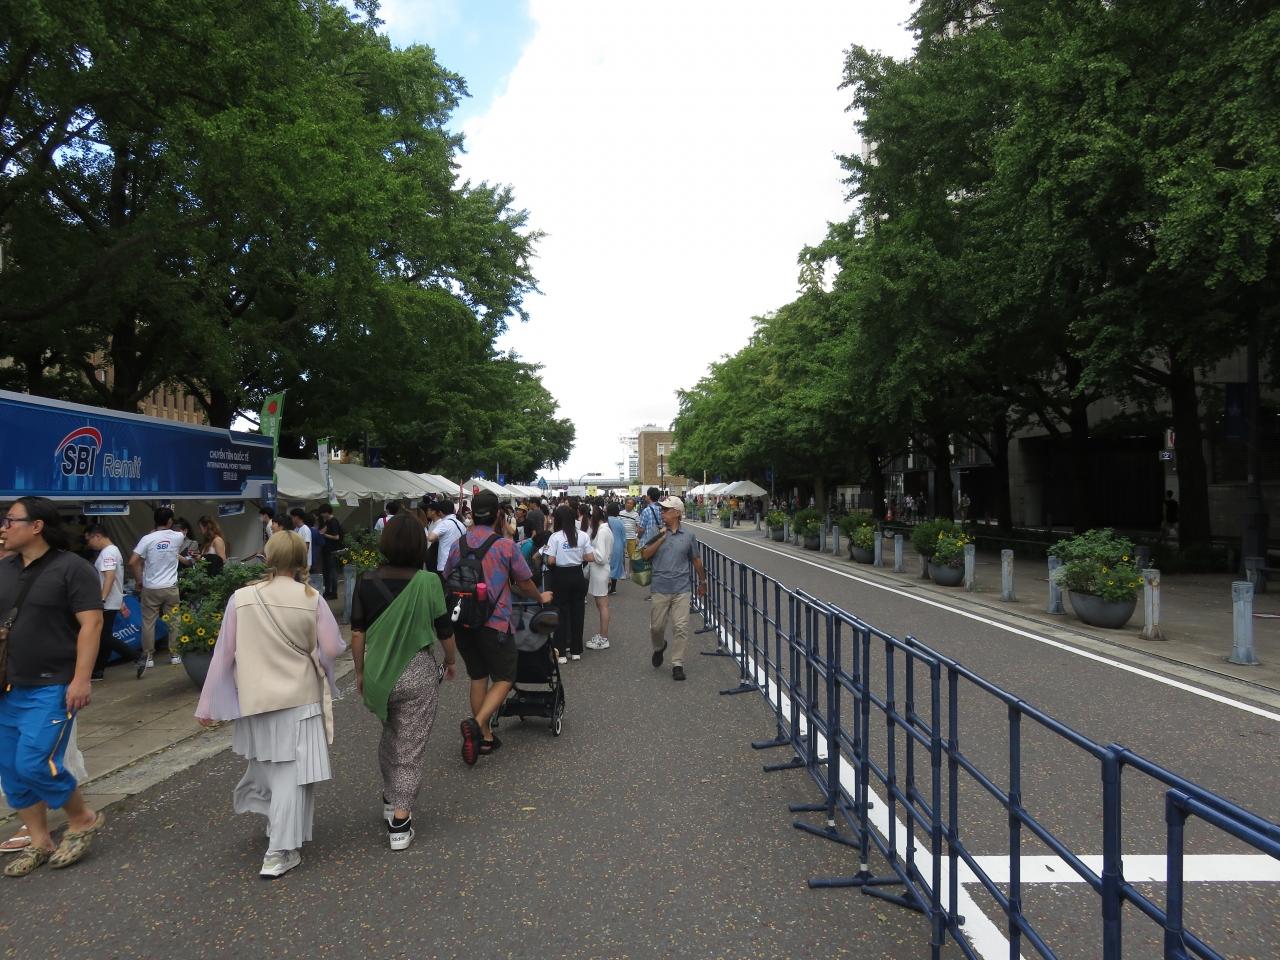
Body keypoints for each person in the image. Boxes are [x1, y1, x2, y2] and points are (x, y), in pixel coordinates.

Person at [195, 531, 345, 878]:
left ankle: (278, 826)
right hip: (299, 696)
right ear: (301, 560)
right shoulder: (312, 598)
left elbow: (223, 653)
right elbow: (332, 647)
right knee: (292, 774)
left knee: (270, 767)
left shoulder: (241, 598)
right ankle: (279, 850)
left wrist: (208, 703)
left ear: (268, 557)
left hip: (255, 698)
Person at [0, 497, 106, 877]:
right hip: (7, 685)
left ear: (37, 526)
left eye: (10, 520)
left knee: (34, 763)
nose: (4, 527)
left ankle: (82, 819)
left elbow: (92, 624)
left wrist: (81, 678)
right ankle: (40, 840)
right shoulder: (4, 568)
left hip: (52, 685)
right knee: (11, 771)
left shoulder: (72, 568)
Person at [351, 517, 460, 845]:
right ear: (418, 546)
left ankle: (390, 797)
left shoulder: (365, 580)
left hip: (378, 674)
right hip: (417, 674)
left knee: (391, 736)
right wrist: (451, 660)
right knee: (409, 746)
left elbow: (357, 633)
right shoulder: (429, 582)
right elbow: (444, 629)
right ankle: (400, 821)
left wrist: (360, 672)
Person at [444, 490, 551, 764]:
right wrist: (541, 598)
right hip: (495, 622)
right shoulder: (505, 546)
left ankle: (485, 737)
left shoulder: (458, 544)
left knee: (478, 676)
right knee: (504, 677)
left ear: (471, 513)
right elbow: (524, 582)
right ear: (498, 514)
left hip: (463, 621)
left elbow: (447, 576)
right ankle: (476, 723)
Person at [640, 496, 707, 682]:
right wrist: (661, 538)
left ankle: (677, 664)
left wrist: (703, 581)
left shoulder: (689, 536)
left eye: (666, 510)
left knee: (681, 627)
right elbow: (645, 554)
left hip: (682, 588)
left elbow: (696, 559)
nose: (662, 513)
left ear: (677, 513)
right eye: (661, 510)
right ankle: (659, 647)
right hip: (660, 587)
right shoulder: (655, 531)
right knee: (656, 627)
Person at [129, 507, 186, 674]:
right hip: (170, 587)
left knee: (148, 622)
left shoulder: (147, 539)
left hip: (151, 587)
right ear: (170, 521)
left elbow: (133, 561)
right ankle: (175, 654)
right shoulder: (178, 537)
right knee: (174, 621)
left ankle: (148, 657)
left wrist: (139, 580)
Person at [542, 504, 595, 664]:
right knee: (578, 612)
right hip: (578, 575)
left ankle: (561, 652)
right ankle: (576, 650)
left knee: (561, 612)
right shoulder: (583, 535)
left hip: (561, 577)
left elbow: (551, 560)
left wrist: (561, 557)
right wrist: (577, 556)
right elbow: (590, 557)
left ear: (558, 519)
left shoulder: (555, 537)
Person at [86, 525, 136, 680]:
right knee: (104, 636)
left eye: (89, 540)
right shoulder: (112, 551)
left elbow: (109, 576)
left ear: (97, 536)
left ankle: (136, 656)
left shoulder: (108, 552)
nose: (89, 544)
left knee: (103, 636)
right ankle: (98, 671)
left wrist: (102, 598)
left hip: (107, 601)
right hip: (110, 600)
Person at [586, 506, 614, 651]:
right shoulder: (606, 530)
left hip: (600, 570)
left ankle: (603, 638)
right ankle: (603, 636)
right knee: (601, 604)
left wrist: (588, 554)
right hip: (601, 571)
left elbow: (601, 557)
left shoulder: (602, 532)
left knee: (602, 605)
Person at [426, 500, 466, 581]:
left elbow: (431, 538)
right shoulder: (461, 524)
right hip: (458, 562)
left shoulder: (444, 523)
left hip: (445, 564)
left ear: (440, 512)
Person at [316, 505, 344, 600]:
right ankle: (328, 592)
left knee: (332, 572)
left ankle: (333, 593)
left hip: (332, 551)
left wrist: (324, 534)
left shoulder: (333, 521)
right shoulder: (327, 521)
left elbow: (336, 537)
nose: (321, 515)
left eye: (323, 513)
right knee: (328, 572)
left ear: (327, 512)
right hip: (327, 550)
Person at [606, 502, 626, 594]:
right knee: (616, 566)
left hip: (607, 546)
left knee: (606, 565)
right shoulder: (620, 522)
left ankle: (606, 584)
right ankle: (613, 588)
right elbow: (624, 538)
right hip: (618, 546)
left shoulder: (605, 521)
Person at [619, 498, 640, 573]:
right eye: (628, 503)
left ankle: (631, 572)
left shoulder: (636, 514)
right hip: (622, 538)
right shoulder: (620, 513)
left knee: (632, 556)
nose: (629, 505)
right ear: (625, 504)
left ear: (633, 506)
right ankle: (623, 572)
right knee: (621, 556)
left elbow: (638, 526)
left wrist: (637, 536)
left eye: (631, 503)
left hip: (632, 538)